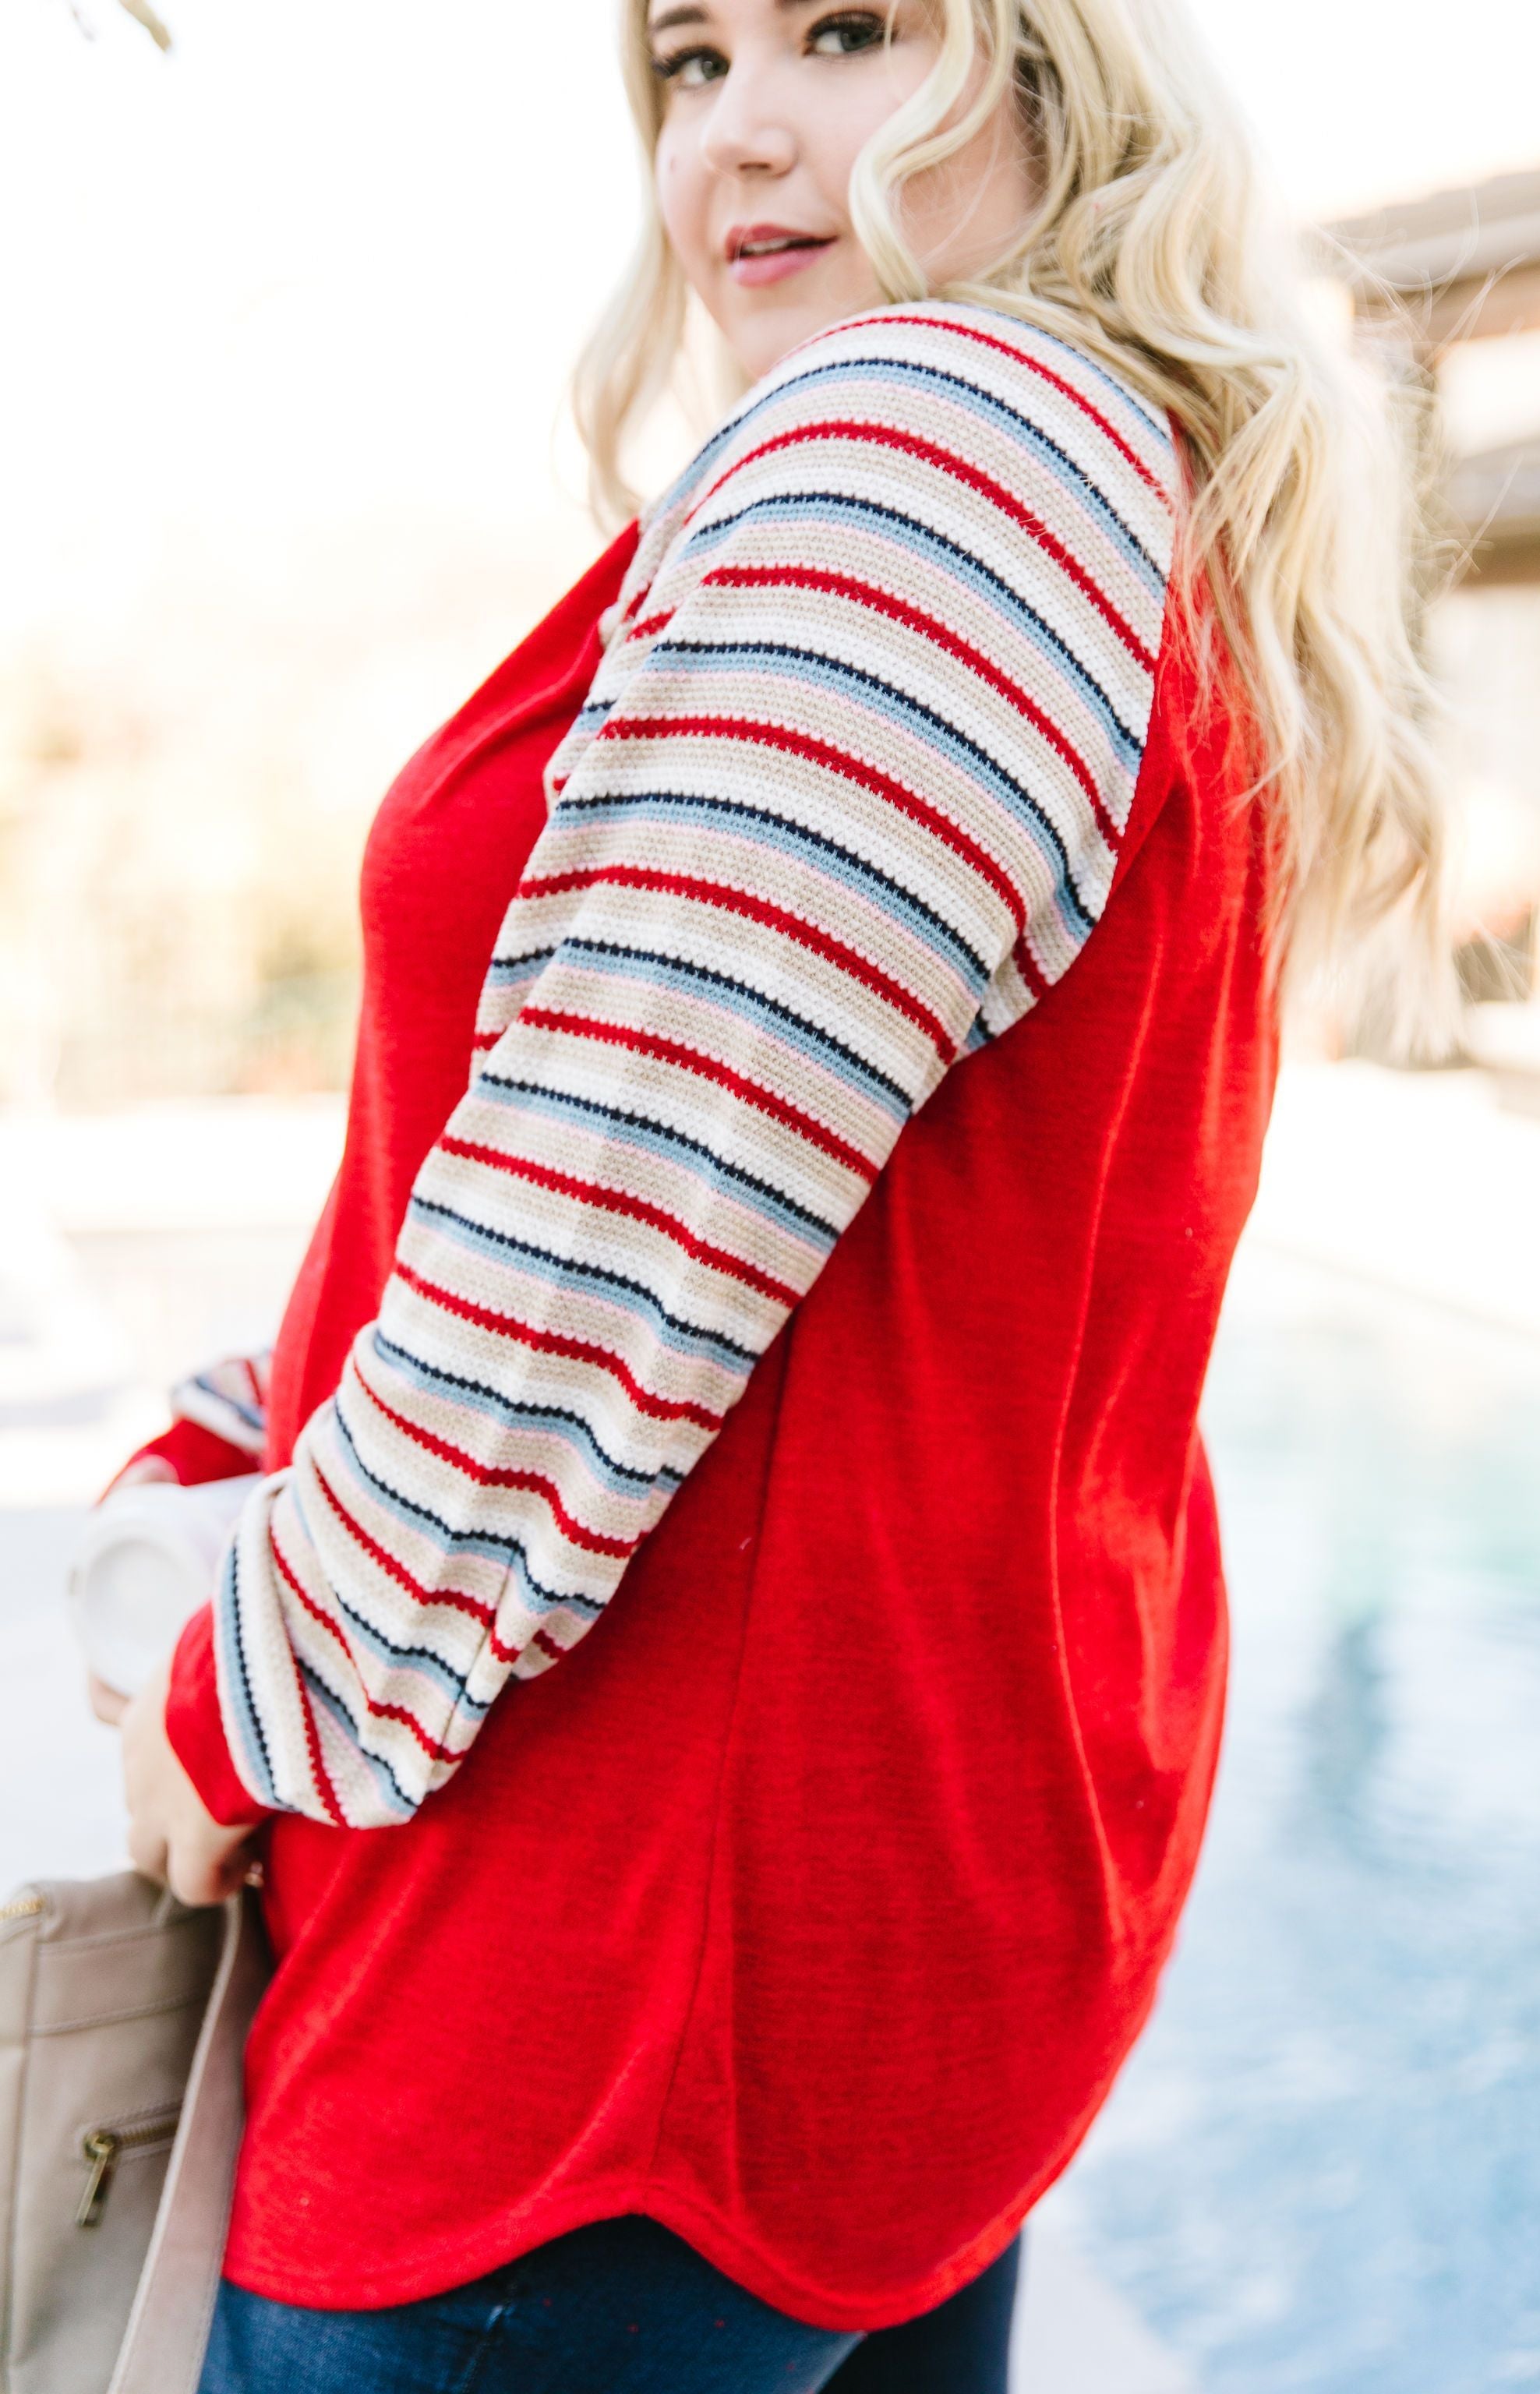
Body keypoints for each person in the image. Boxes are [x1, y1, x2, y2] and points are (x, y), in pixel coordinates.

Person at [99, 0, 1445, 2386]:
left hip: (586, 2029)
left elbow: (566, 1320)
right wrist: (248, 1407)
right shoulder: (1130, 502)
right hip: (885, 1996)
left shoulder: (934, 458)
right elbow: (655, 1156)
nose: (739, 133)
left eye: (845, 28)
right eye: (689, 61)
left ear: (1064, 74)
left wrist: (225, 1704)